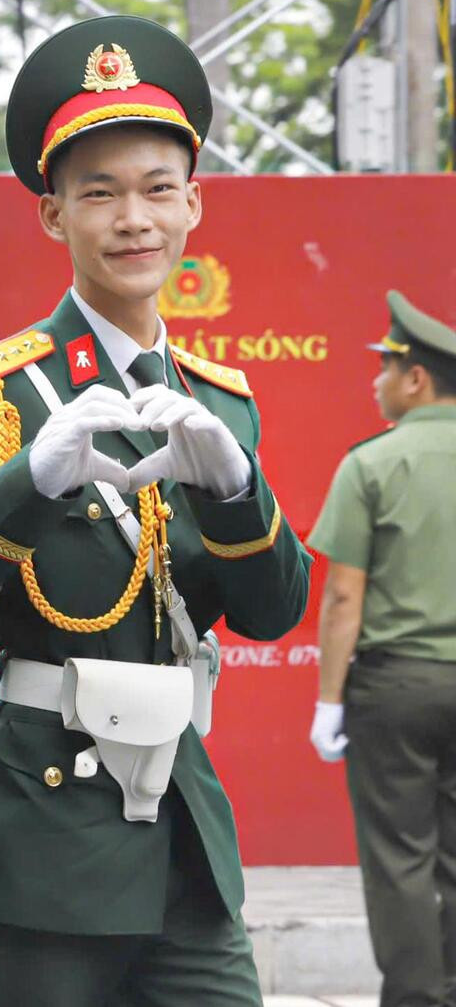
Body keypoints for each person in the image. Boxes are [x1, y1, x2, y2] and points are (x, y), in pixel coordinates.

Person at [0, 15, 312, 1006]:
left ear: (194, 201)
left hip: (181, 835)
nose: (133, 218)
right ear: (53, 215)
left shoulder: (218, 400)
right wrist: (27, 481)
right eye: (99, 192)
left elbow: (273, 611)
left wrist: (237, 488)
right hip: (41, 828)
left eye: (158, 188)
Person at [308, 290, 456, 1007]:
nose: (376, 381)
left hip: (397, 687)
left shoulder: (373, 463)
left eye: (385, 367)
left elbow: (344, 596)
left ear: (416, 377)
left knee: (401, 857)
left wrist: (328, 699)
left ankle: (418, 998)